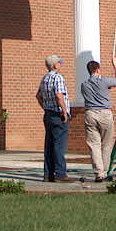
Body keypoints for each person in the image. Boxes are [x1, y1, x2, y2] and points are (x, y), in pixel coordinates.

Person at [80, 57, 116, 182]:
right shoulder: (104, 82)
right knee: (106, 145)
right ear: (98, 70)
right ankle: (105, 171)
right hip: (104, 114)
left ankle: (99, 173)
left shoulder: (84, 85)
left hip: (90, 114)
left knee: (94, 145)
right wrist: (115, 64)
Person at [36, 54, 75, 182]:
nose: (61, 64)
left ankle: (48, 174)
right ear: (55, 65)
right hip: (58, 115)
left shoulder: (45, 78)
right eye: (59, 62)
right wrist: (64, 111)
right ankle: (60, 174)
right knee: (59, 145)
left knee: (49, 144)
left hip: (48, 114)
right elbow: (59, 96)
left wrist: (45, 107)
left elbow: (38, 96)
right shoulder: (58, 78)